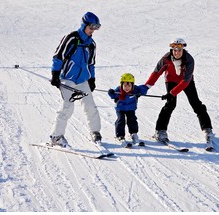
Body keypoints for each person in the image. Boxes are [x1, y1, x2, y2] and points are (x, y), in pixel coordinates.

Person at [145, 38, 214, 151]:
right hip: (171, 80)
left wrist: (172, 93)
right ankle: (160, 131)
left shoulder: (189, 60)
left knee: (196, 103)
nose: (176, 52)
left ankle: (207, 129)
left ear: (183, 50)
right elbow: (156, 73)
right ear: (172, 50)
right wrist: (145, 88)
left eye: (179, 50)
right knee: (171, 104)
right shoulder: (165, 59)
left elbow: (185, 81)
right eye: (174, 50)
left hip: (186, 81)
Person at [49, 11, 102, 148]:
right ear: (84, 25)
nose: (92, 31)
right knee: (67, 107)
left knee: (90, 106)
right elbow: (58, 56)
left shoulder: (91, 44)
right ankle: (56, 136)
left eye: (95, 28)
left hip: (83, 79)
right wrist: (55, 74)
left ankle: (95, 131)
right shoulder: (71, 38)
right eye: (91, 28)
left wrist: (92, 79)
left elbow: (91, 63)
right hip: (68, 78)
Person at [108, 73, 148, 146]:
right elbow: (113, 95)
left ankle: (133, 133)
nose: (127, 88)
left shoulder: (135, 90)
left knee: (132, 120)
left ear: (132, 85)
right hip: (120, 108)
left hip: (131, 108)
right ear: (121, 85)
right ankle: (120, 136)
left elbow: (144, 89)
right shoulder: (118, 90)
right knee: (121, 120)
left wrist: (140, 93)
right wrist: (111, 92)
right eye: (125, 85)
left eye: (129, 85)